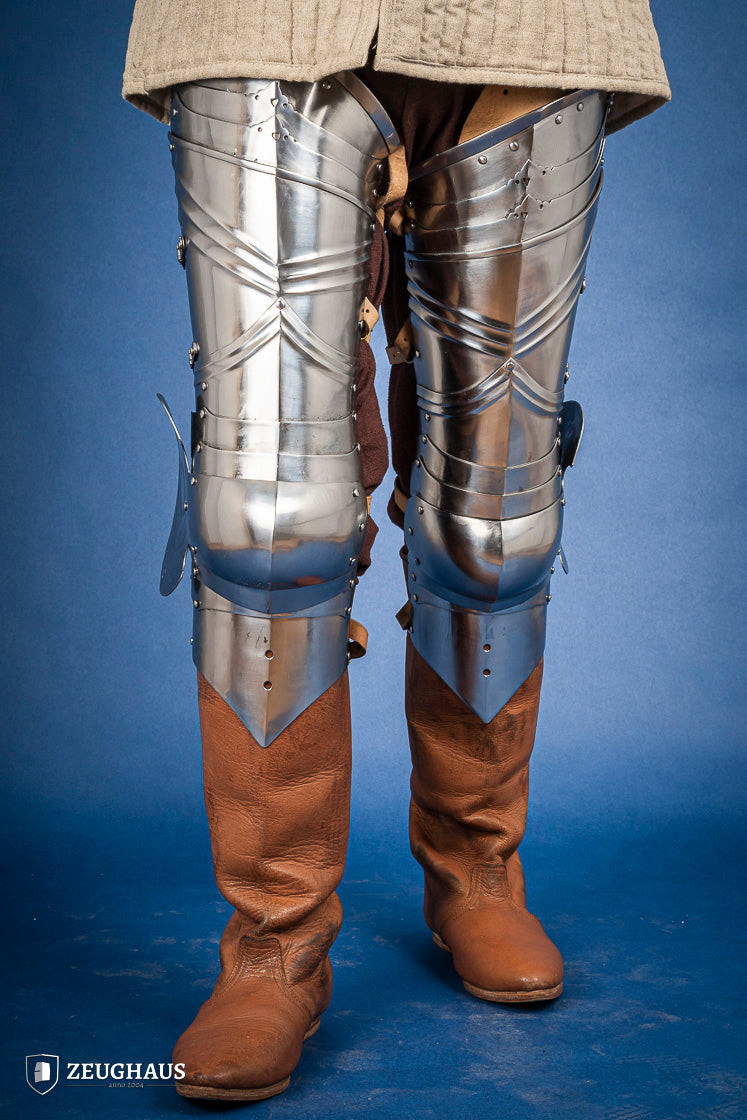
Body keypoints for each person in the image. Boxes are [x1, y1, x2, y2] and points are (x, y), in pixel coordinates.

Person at [123, 0, 670, 1102]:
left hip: (534, 28)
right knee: (267, 521)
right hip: (264, 24)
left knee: (497, 518)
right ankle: (274, 944)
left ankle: (478, 871)